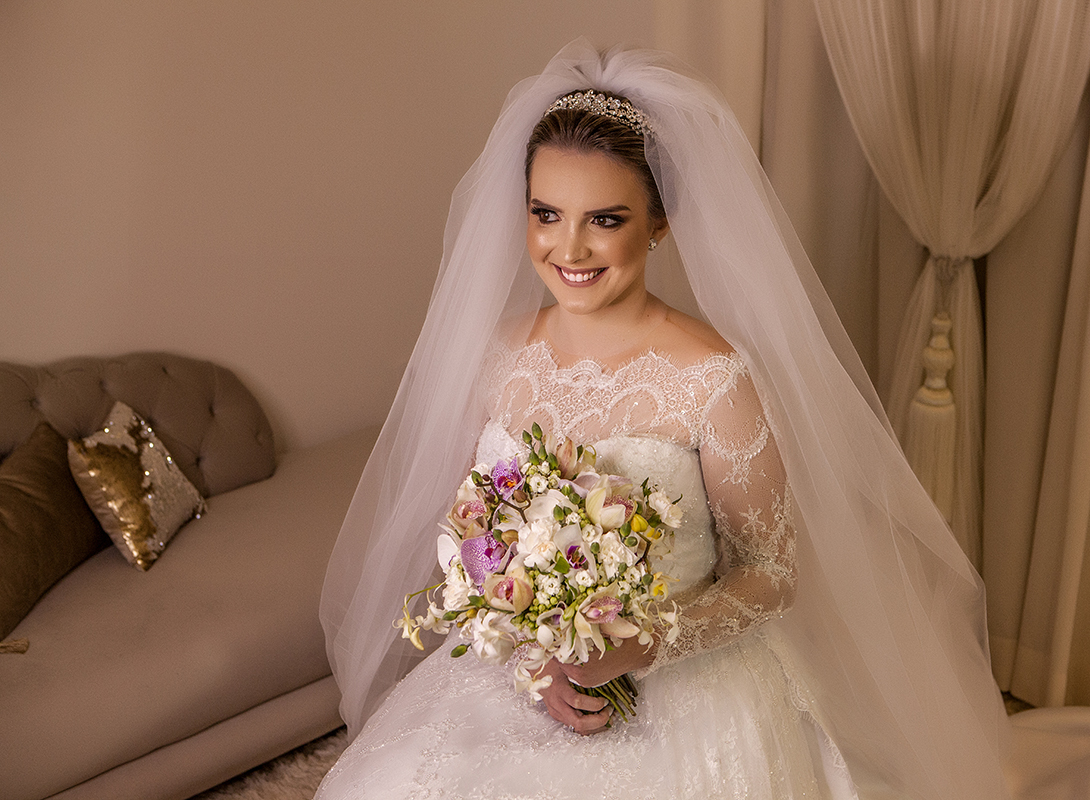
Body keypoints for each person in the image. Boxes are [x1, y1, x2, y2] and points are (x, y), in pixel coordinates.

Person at [316, 41, 1011, 799]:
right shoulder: (497, 354)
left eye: (604, 219)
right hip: (525, 671)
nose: (569, 247)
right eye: (546, 214)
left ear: (658, 224)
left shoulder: (714, 379)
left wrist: (640, 646)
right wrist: (533, 654)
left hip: (684, 688)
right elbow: (469, 530)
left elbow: (771, 575)